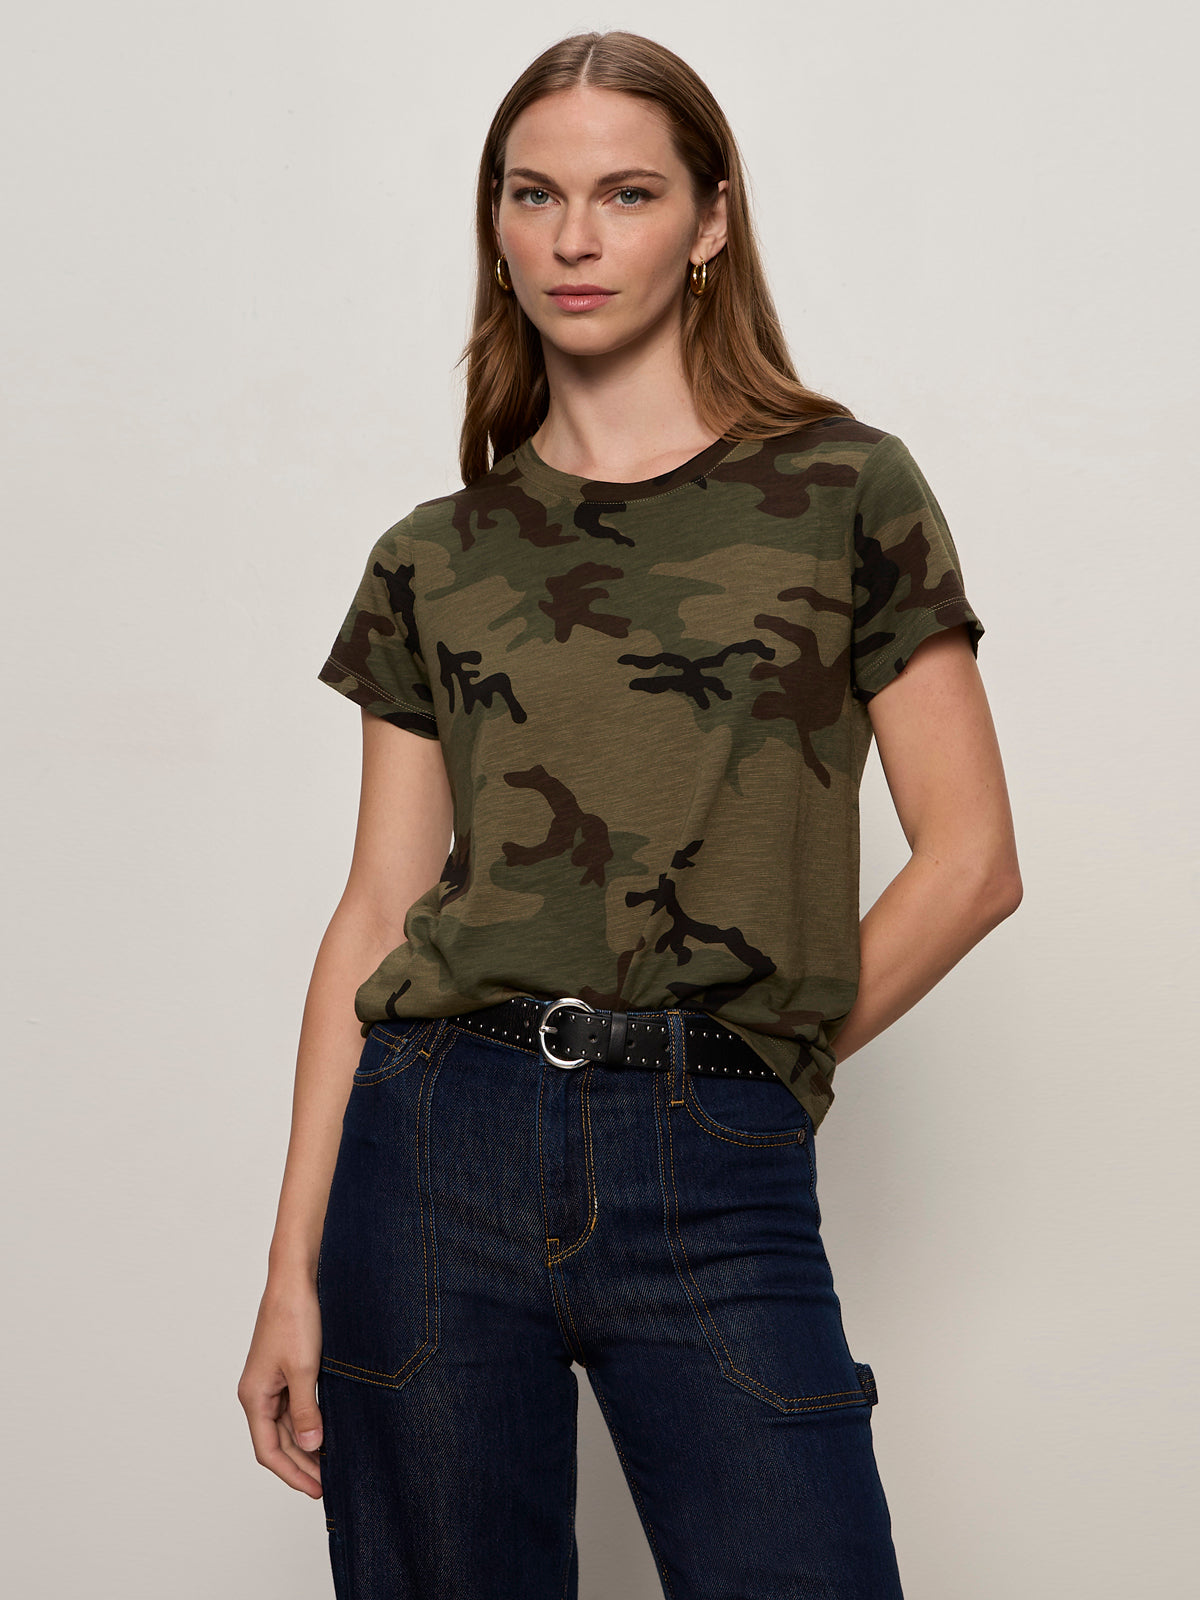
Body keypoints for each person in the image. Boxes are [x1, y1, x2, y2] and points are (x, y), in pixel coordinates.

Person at [238, 28, 1022, 1600]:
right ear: (497, 225)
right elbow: (379, 910)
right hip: (431, 1147)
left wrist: (750, 1067)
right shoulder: (433, 554)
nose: (574, 238)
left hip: (711, 1155)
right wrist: (289, 1269)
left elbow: (974, 863)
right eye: (534, 195)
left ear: (710, 220)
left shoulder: (845, 490)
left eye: (627, 193)